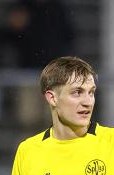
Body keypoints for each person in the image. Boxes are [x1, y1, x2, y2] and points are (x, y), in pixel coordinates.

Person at [5, 0, 76, 130]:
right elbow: (11, 39)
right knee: (27, 119)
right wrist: (15, 28)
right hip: (27, 72)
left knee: (54, 119)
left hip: (53, 74)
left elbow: (68, 37)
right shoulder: (22, 7)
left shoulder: (57, 8)